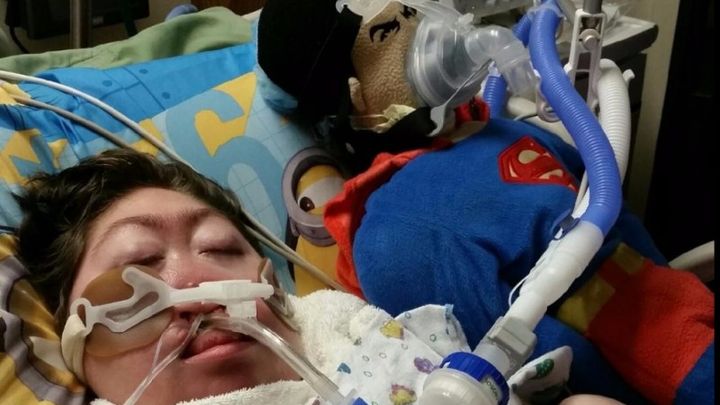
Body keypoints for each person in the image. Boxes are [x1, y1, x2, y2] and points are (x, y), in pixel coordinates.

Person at [14, 148, 631, 405]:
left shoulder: (365, 345)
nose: (197, 283)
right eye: (139, 266)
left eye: (221, 247)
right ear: (74, 339)